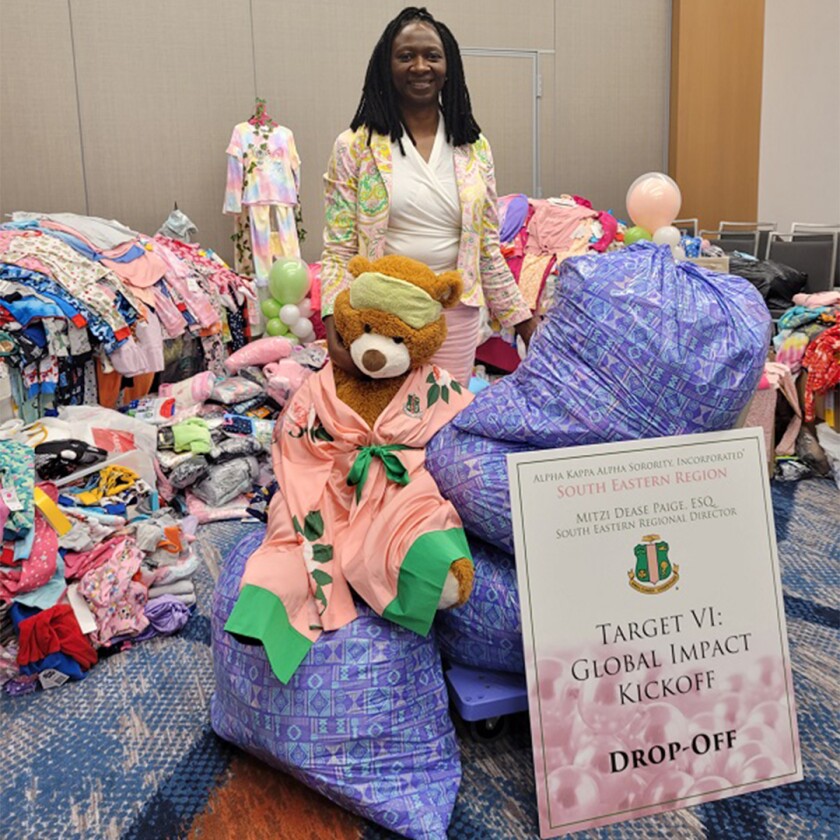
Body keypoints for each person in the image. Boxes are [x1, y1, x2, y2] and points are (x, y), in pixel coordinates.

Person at [320, 6, 539, 385]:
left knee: (444, 420)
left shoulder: (474, 147)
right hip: (381, 314)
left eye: (432, 56)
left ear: (448, 66)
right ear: (385, 67)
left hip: (454, 315)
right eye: (406, 56)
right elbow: (339, 249)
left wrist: (524, 323)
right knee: (388, 428)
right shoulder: (355, 146)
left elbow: (486, 249)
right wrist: (331, 322)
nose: (420, 66)